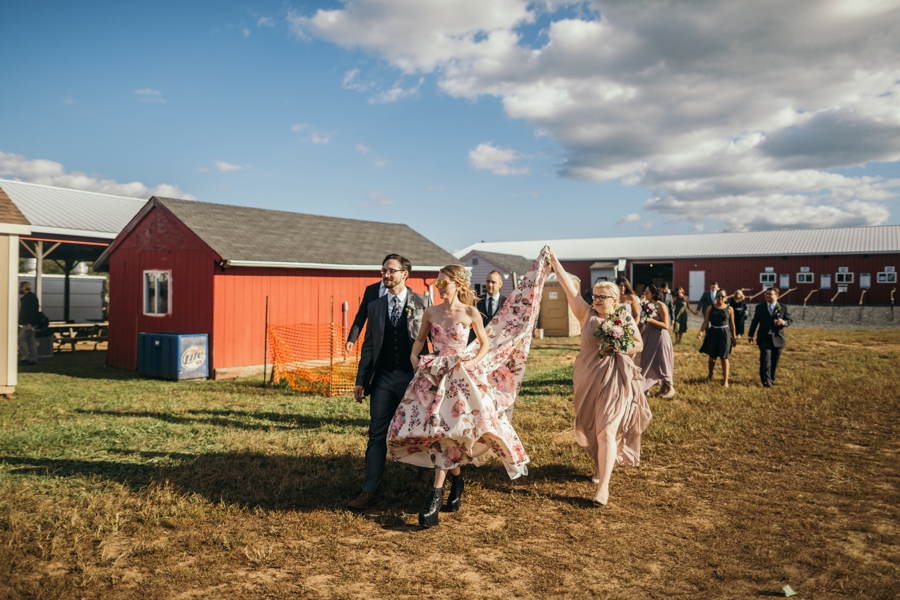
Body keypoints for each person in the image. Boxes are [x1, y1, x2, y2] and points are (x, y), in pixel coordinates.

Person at [389, 257, 548, 527]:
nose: (438, 286)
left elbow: (484, 345)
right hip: (434, 376)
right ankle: (457, 480)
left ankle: (435, 496)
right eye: (436, 281)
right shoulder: (431, 312)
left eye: (443, 281)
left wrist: (471, 364)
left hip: (461, 377)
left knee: (455, 433)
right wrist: (415, 358)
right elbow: (418, 340)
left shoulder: (471, 313)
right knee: (440, 432)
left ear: (457, 284)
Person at [550, 253, 652, 506]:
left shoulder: (625, 319)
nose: (595, 300)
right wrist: (554, 262)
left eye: (601, 297)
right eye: (594, 296)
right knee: (590, 428)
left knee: (607, 431)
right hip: (587, 379)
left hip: (615, 380)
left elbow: (638, 345)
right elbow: (569, 290)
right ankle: (600, 464)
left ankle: (603, 487)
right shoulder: (586, 315)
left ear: (615, 300)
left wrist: (620, 346)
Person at [347, 255, 433, 511]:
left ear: (405, 274)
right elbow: (370, 344)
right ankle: (369, 490)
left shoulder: (422, 302)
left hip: (413, 378)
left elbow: (432, 343)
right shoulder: (375, 305)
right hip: (383, 378)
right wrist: (361, 379)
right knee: (376, 434)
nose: (385, 275)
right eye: (383, 270)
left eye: (391, 271)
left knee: (417, 429)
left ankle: (424, 476)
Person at [748, 287, 792, 388]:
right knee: (765, 358)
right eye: (766, 294)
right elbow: (755, 321)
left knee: (775, 359)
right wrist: (750, 334)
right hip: (764, 337)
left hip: (778, 338)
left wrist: (783, 322)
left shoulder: (783, 307)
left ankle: (772, 378)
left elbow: (789, 320)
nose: (767, 296)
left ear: (777, 296)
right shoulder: (760, 307)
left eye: (770, 294)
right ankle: (765, 380)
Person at [345, 262, 393, 353]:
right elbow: (361, 315)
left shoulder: (404, 292)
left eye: (391, 271)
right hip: (373, 341)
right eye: (384, 270)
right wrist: (351, 339)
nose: (387, 274)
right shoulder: (371, 290)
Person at [639, 285, 676, 398]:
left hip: (660, 337)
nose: (645, 294)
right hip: (649, 337)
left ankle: (669, 387)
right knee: (646, 361)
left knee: (662, 361)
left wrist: (650, 320)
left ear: (654, 293)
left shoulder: (661, 305)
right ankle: (645, 387)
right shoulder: (647, 306)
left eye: (647, 292)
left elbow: (666, 325)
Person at [698, 289, 736, 387]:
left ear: (726, 297)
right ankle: (710, 374)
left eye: (722, 296)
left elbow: (732, 324)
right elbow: (706, 321)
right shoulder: (710, 308)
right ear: (715, 297)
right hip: (713, 332)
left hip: (725, 334)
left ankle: (725, 381)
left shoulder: (729, 309)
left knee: (724, 358)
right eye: (718, 296)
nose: (720, 298)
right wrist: (701, 332)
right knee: (712, 357)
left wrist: (734, 338)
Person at [468, 270, 506, 344]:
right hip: (478, 344)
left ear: (500, 284)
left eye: (493, 282)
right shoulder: (477, 301)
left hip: (498, 344)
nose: (490, 284)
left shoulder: (506, 303)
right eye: (488, 281)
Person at [18, 282, 40, 366]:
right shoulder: (29, 297)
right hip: (30, 323)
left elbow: (32, 311)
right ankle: (33, 359)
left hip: (28, 323)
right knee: (31, 341)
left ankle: (25, 358)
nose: (19, 289)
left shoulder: (30, 298)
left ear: (23, 288)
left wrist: (29, 323)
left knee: (21, 339)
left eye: (20, 287)